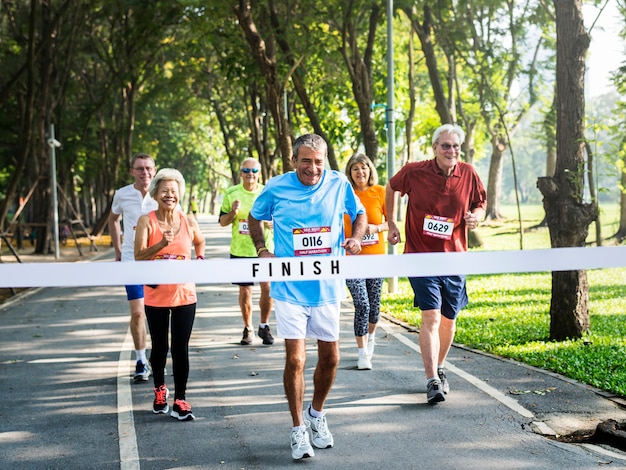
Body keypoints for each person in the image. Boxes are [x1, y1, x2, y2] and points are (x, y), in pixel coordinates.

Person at [248, 133, 367, 460]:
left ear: (325, 160)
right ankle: (298, 428)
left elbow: (359, 214)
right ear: (294, 161)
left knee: (331, 358)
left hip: (327, 287)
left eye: (318, 161)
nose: (312, 168)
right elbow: (254, 217)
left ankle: (316, 414)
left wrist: (355, 239)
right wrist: (262, 249)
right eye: (306, 161)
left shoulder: (338, 183)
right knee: (296, 359)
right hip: (289, 289)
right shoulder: (276, 187)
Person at [386, 123, 486, 405]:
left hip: (454, 257)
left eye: (455, 146)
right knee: (431, 315)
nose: (451, 150)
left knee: (448, 319)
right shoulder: (415, 171)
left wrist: (476, 216)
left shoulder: (469, 173)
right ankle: (432, 380)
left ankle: (439, 368)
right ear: (435, 148)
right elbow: (391, 187)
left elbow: (480, 203)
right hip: (420, 256)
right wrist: (393, 224)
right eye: (446, 145)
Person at [134, 168, 205, 421]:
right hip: (156, 293)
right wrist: (162, 245)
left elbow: (199, 241)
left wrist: (199, 258)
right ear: (155, 193)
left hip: (185, 293)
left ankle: (181, 399)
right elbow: (138, 255)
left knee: (180, 348)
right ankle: (160, 390)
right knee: (160, 346)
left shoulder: (188, 221)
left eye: (174, 191)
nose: (169, 195)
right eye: (165, 191)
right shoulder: (147, 220)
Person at [109, 153, 158, 382]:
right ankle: (140, 360)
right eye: (140, 168)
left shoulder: (163, 193)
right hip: (131, 261)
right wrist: (118, 250)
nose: (144, 172)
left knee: (159, 315)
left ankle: (158, 358)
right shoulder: (122, 194)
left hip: (160, 263)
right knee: (138, 312)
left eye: (148, 168)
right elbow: (113, 220)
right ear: (132, 171)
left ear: (155, 170)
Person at [219, 158, 275, 346]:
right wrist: (233, 214)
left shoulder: (267, 192)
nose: (250, 174)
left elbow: (280, 217)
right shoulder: (232, 193)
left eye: (254, 170)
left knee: (267, 288)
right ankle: (248, 328)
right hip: (241, 250)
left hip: (264, 250)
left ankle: (264, 325)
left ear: (259, 173)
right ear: (241, 173)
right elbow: (222, 222)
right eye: (246, 170)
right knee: (245, 291)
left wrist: (273, 223)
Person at [343, 153, 388, 371]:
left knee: (374, 307)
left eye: (364, 168)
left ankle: (370, 338)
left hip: (376, 259)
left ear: (370, 170)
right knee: (362, 304)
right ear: (349, 173)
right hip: (351, 260)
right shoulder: (344, 195)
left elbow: (391, 224)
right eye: (355, 169)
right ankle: (362, 354)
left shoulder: (380, 192)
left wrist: (376, 228)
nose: (360, 172)